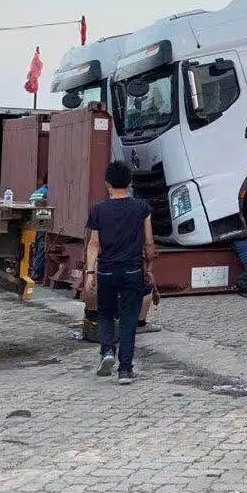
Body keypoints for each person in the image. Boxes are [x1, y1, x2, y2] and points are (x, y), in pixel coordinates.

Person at [83, 161, 156, 384]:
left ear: (107, 184)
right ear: (130, 183)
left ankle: (107, 351)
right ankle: (125, 370)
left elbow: (93, 244)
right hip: (132, 270)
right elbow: (149, 243)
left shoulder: (98, 210)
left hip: (106, 271)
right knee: (129, 319)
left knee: (105, 314)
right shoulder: (142, 208)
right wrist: (149, 268)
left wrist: (90, 273)